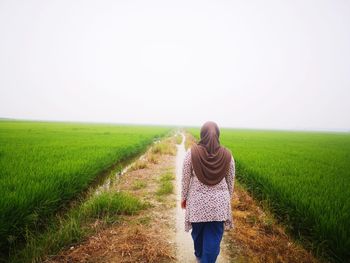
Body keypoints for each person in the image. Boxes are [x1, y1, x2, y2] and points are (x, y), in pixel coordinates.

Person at [181, 121, 235, 263]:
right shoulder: (228, 155)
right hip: (218, 207)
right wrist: (226, 200)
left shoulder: (191, 153)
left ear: (202, 134)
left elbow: (185, 179)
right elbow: (230, 181)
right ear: (218, 135)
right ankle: (206, 259)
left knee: (197, 234)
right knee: (214, 238)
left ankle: (200, 256)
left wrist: (183, 198)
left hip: (197, 204)